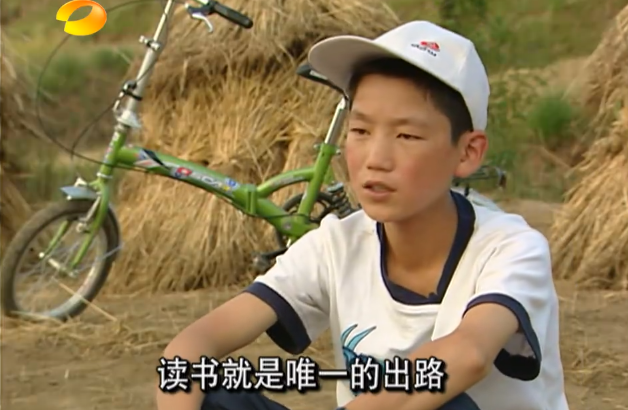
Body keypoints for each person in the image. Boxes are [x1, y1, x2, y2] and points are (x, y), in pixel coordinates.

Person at [156, 20, 569, 410]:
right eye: (361, 131)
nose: (376, 159)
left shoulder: (511, 250)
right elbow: (191, 348)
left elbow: (468, 355)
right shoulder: (336, 244)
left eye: (407, 135)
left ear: (467, 152)